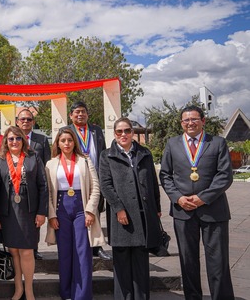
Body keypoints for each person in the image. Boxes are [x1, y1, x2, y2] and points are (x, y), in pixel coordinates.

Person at [160, 105, 235, 300]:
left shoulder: (217, 143)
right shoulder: (173, 144)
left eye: (194, 119)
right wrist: (178, 197)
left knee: (218, 261)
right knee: (188, 261)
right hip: (183, 211)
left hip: (213, 210)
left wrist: (203, 198)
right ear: (181, 123)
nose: (190, 123)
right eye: (186, 120)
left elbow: (224, 176)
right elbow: (165, 175)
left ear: (203, 121)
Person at [99, 117, 162, 299]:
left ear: (133, 132)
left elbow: (152, 182)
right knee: (122, 264)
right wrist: (118, 208)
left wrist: (156, 208)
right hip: (121, 217)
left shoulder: (145, 153)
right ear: (115, 134)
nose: (124, 134)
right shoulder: (107, 155)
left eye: (127, 131)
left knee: (141, 264)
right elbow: (106, 185)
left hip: (143, 215)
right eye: (119, 131)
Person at [44, 127, 105, 300]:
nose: (67, 143)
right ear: (58, 143)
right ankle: (66, 293)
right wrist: (52, 215)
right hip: (60, 208)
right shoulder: (51, 163)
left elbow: (95, 187)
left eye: (70, 140)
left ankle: (82, 295)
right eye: (63, 140)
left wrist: (90, 211)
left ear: (74, 142)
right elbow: (48, 192)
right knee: (64, 252)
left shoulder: (85, 161)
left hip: (81, 208)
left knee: (82, 252)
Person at [0, 126, 47, 300]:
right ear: (5, 142)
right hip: (7, 211)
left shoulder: (34, 157)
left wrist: (41, 212)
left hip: (28, 210)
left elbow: (43, 186)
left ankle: (29, 290)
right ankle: (18, 289)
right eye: (10, 139)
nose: (14, 142)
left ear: (23, 140)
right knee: (14, 251)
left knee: (26, 251)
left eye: (18, 138)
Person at [62, 101, 111, 261]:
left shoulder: (96, 130)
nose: (80, 114)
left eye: (83, 111)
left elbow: (102, 151)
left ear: (87, 114)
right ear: (71, 115)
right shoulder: (67, 131)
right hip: (75, 176)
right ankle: (81, 244)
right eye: (77, 112)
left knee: (94, 211)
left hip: (95, 175)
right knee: (78, 213)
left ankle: (97, 246)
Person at [16, 108, 51, 260]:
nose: (25, 122)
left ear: (33, 122)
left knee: (34, 220)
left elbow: (47, 162)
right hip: (16, 184)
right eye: (22, 119)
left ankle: (34, 248)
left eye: (29, 119)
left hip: (35, 185)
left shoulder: (41, 140)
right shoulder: (11, 138)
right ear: (17, 121)